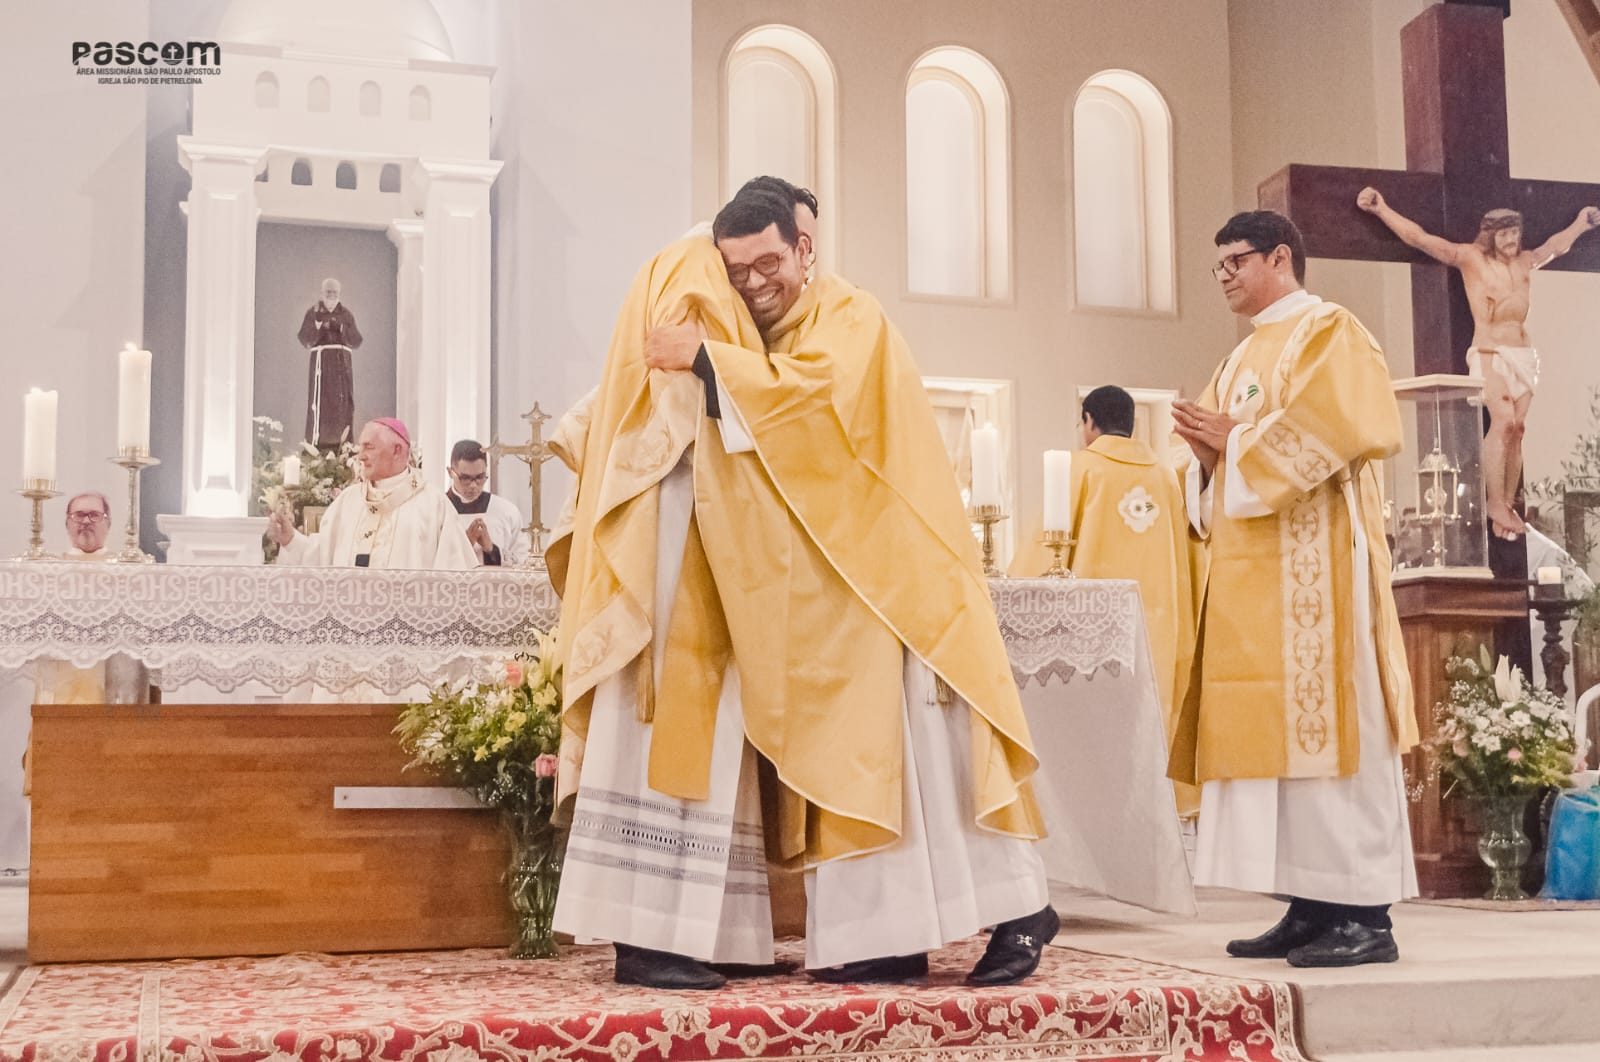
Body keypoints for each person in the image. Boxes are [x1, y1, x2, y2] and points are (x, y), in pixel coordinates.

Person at [550, 187, 1054, 991]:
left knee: (933, 751)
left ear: (804, 248)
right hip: (835, 581)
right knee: (861, 759)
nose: (756, 282)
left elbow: (812, 399)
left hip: (896, 577)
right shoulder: (760, 331)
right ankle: (888, 939)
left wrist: (708, 359)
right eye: (738, 269)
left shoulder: (848, 314)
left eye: (770, 262)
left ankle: (1023, 910)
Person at [1170, 210, 1419, 968]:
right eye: (1217, 266)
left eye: (1236, 261)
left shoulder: (1329, 330)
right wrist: (1205, 458)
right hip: (1256, 585)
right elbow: (1205, 463)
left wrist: (1236, 442)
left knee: (1340, 737)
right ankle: (1311, 903)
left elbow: (1347, 423)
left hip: (1324, 574)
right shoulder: (1238, 359)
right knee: (1281, 755)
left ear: (1281, 257)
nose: (1224, 277)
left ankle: (1366, 914)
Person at [1357, 189, 1600, 539]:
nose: (1511, 241)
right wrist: (1382, 209)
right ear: (1489, 236)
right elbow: (1420, 239)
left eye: (1515, 233)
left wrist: (1581, 224)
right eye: (1504, 235)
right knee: (1503, 421)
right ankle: (1494, 501)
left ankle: (1507, 502)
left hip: (1523, 354)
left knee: (1518, 429)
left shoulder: (1524, 261)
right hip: (1489, 351)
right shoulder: (1471, 259)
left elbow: (1554, 247)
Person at [1066, 386, 1198, 818]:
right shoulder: (1164, 475)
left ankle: (1097, 811)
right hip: (1162, 623)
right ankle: (1158, 810)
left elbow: (1048, 547)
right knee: (1156, 712)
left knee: (1094, 720)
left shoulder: (1083, 468)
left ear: (1089, 421)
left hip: (1092, 622)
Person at [267, 418, 475, 570]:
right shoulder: (349, 500)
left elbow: (455, 574)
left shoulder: (433, 504)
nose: (361, 456)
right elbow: (322, 556)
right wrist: (291, 540)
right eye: (361, 448)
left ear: (397, 450)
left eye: (369, 447)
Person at [298, 278, 364, 449]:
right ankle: (317, 446)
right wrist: (320, 329)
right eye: (328, 292)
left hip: (341, 368)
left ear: (339, 294)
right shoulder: (313, 314)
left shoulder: (346, 315)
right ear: (322, 293)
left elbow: (356, 341)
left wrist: (341, 328)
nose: (331, 295)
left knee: (343, 405)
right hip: (322, 368)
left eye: (335, 292)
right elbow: (305, 338)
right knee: (320, 405)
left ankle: (344, 447)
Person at [446, 439, 528, 567]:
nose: (473, 485)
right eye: (465, 478)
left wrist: (491, 550)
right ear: (450, 472)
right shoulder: (437, 510)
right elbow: (426, 562)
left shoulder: (507, 512)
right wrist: (465, 544)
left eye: (480, 477)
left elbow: (523, 563)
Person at [63, 492, 112, 558]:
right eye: (79, 515)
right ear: (67, 524)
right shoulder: (53, 563)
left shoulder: (120, 563)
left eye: (94, 515)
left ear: (108, 524)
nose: (86, 521)